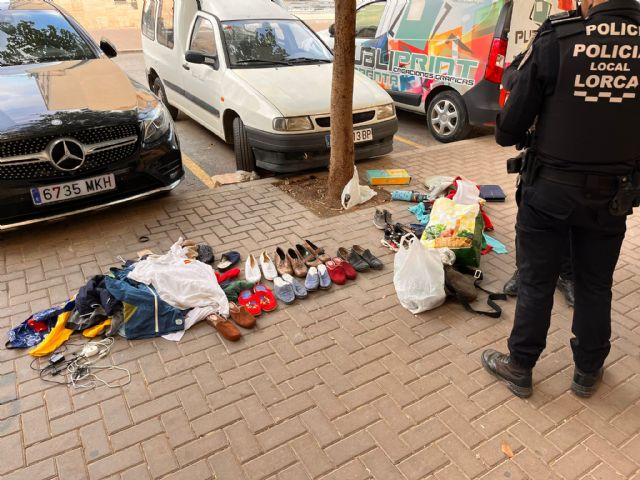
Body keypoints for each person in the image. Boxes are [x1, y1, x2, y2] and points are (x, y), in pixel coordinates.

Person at [482, 0, 640, 399]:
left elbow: (508, 129)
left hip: (549, 192)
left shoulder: (560, 36)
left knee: (536, 281)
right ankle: (588, 371)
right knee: (595, 284)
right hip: (612, 195)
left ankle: (520, 366)